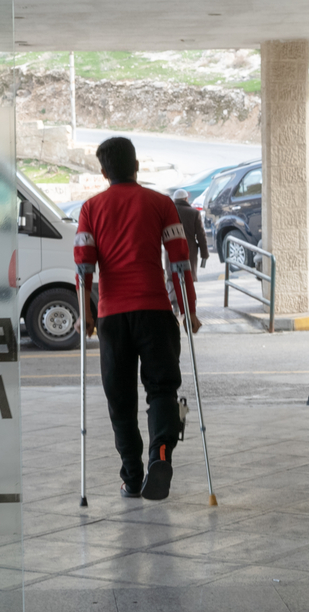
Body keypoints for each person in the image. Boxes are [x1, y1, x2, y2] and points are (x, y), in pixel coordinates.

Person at [74, 137, 201, 501]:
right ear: (137, 166)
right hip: (156, 313)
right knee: (162, 389)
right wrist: (188, 310)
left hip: (113, 317)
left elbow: (83, 266)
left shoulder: (91, 208)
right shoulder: (161, 203)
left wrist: (86, 314)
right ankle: (161, 454)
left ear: (103, 172)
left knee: (121, 399)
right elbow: (179, 263)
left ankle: (132, 477)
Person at [170, 189, 210, 281]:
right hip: (189, 250)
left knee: (174, 279)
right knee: (189, 278)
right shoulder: (193, 213)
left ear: (174, 200)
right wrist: (204, 254)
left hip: (172, 249)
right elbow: (201, 236)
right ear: (186, 199)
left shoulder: (168, 212)